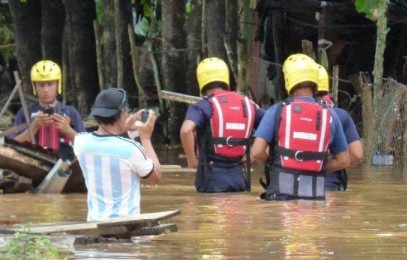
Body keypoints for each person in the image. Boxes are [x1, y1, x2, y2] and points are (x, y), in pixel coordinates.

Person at [251, 54, 350, 201]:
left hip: (280, 197)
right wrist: (316, 167)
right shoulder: (331, 115)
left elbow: (257, 152)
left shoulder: (277, 111)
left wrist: (276, 165)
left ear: (288, 80)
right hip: (314, 198)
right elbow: (344, 160)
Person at [74, 88, 161, 222]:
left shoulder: (80, 143)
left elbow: (107, 142)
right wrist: (145, 138)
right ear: (122, 112)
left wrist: (125, 129)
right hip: (127, 226)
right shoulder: (131, 149)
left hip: (93, 224)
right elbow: (155, 177)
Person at [180, 57, 264, 192]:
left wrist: (192, 160)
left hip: (212, 178)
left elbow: (186, 130)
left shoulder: (203, 106)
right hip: (240, 178)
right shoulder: (247, 104)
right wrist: (254, 153)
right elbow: (273, 126)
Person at [12, 60, 84, 159]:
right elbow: (12, 145)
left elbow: (86, 145)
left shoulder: (70, 112)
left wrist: (67, 130)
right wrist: (33, 127)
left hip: (65, 165)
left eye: (50, 84)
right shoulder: (25, 112)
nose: (46, 90)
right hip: (34, 165)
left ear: (58, 85)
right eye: (41, 85)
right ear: (35, 87)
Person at [315, 64, 363, 191]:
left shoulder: (284, 112)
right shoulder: (339, 115)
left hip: (289, 179)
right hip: (330, 181)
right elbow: (356, 154)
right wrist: (324, 166)